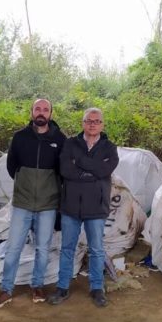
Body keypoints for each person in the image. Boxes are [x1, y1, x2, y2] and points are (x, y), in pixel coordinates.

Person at [0, 98, 66, 308]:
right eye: (37, 109)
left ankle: (37, 286)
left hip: (47, 205)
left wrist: (49, 190)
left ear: (51, 113)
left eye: (45, 109)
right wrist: (25, 183)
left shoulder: (60, 139)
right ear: (32, 112)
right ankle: (6, 289)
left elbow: (62, 171)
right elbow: (12, 166)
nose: (41, 112)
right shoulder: (20, 137)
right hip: (22, 204)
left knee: (43, 248)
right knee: (13, 247)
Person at [47, 107, 119, 308]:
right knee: (67, 248)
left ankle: (97, 288)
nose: (92, 124)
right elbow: (65, 169)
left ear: (102, 125)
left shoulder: (109, 148)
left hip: (96, 208)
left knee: (96, 249)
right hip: (71, 207)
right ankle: (62, 288)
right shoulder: (70, 144)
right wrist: (92, 170)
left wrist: (79, 162)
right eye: (89, 121)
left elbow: (106, 169)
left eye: (96, 121)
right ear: (83, 123)